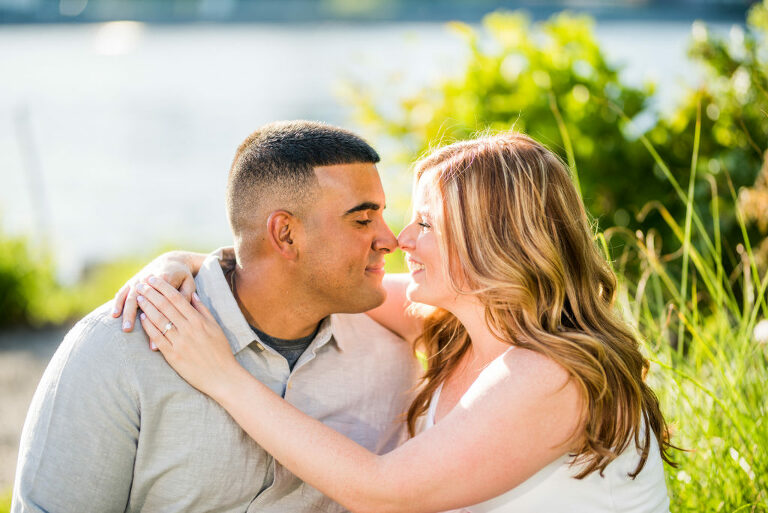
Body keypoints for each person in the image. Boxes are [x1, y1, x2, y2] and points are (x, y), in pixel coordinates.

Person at [118, 131, 674, 512]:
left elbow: (381, 493)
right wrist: (184, 262)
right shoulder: (453, 327)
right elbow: (303, 277)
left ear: (492, 242)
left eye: (426, 224)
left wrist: (222, 376)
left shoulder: (552, 375)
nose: (402, 239)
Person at [12, 121, 421, 513]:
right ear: (285, 234)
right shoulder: (119, 348)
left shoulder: (396, 356)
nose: (391, 240)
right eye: (363, 220)